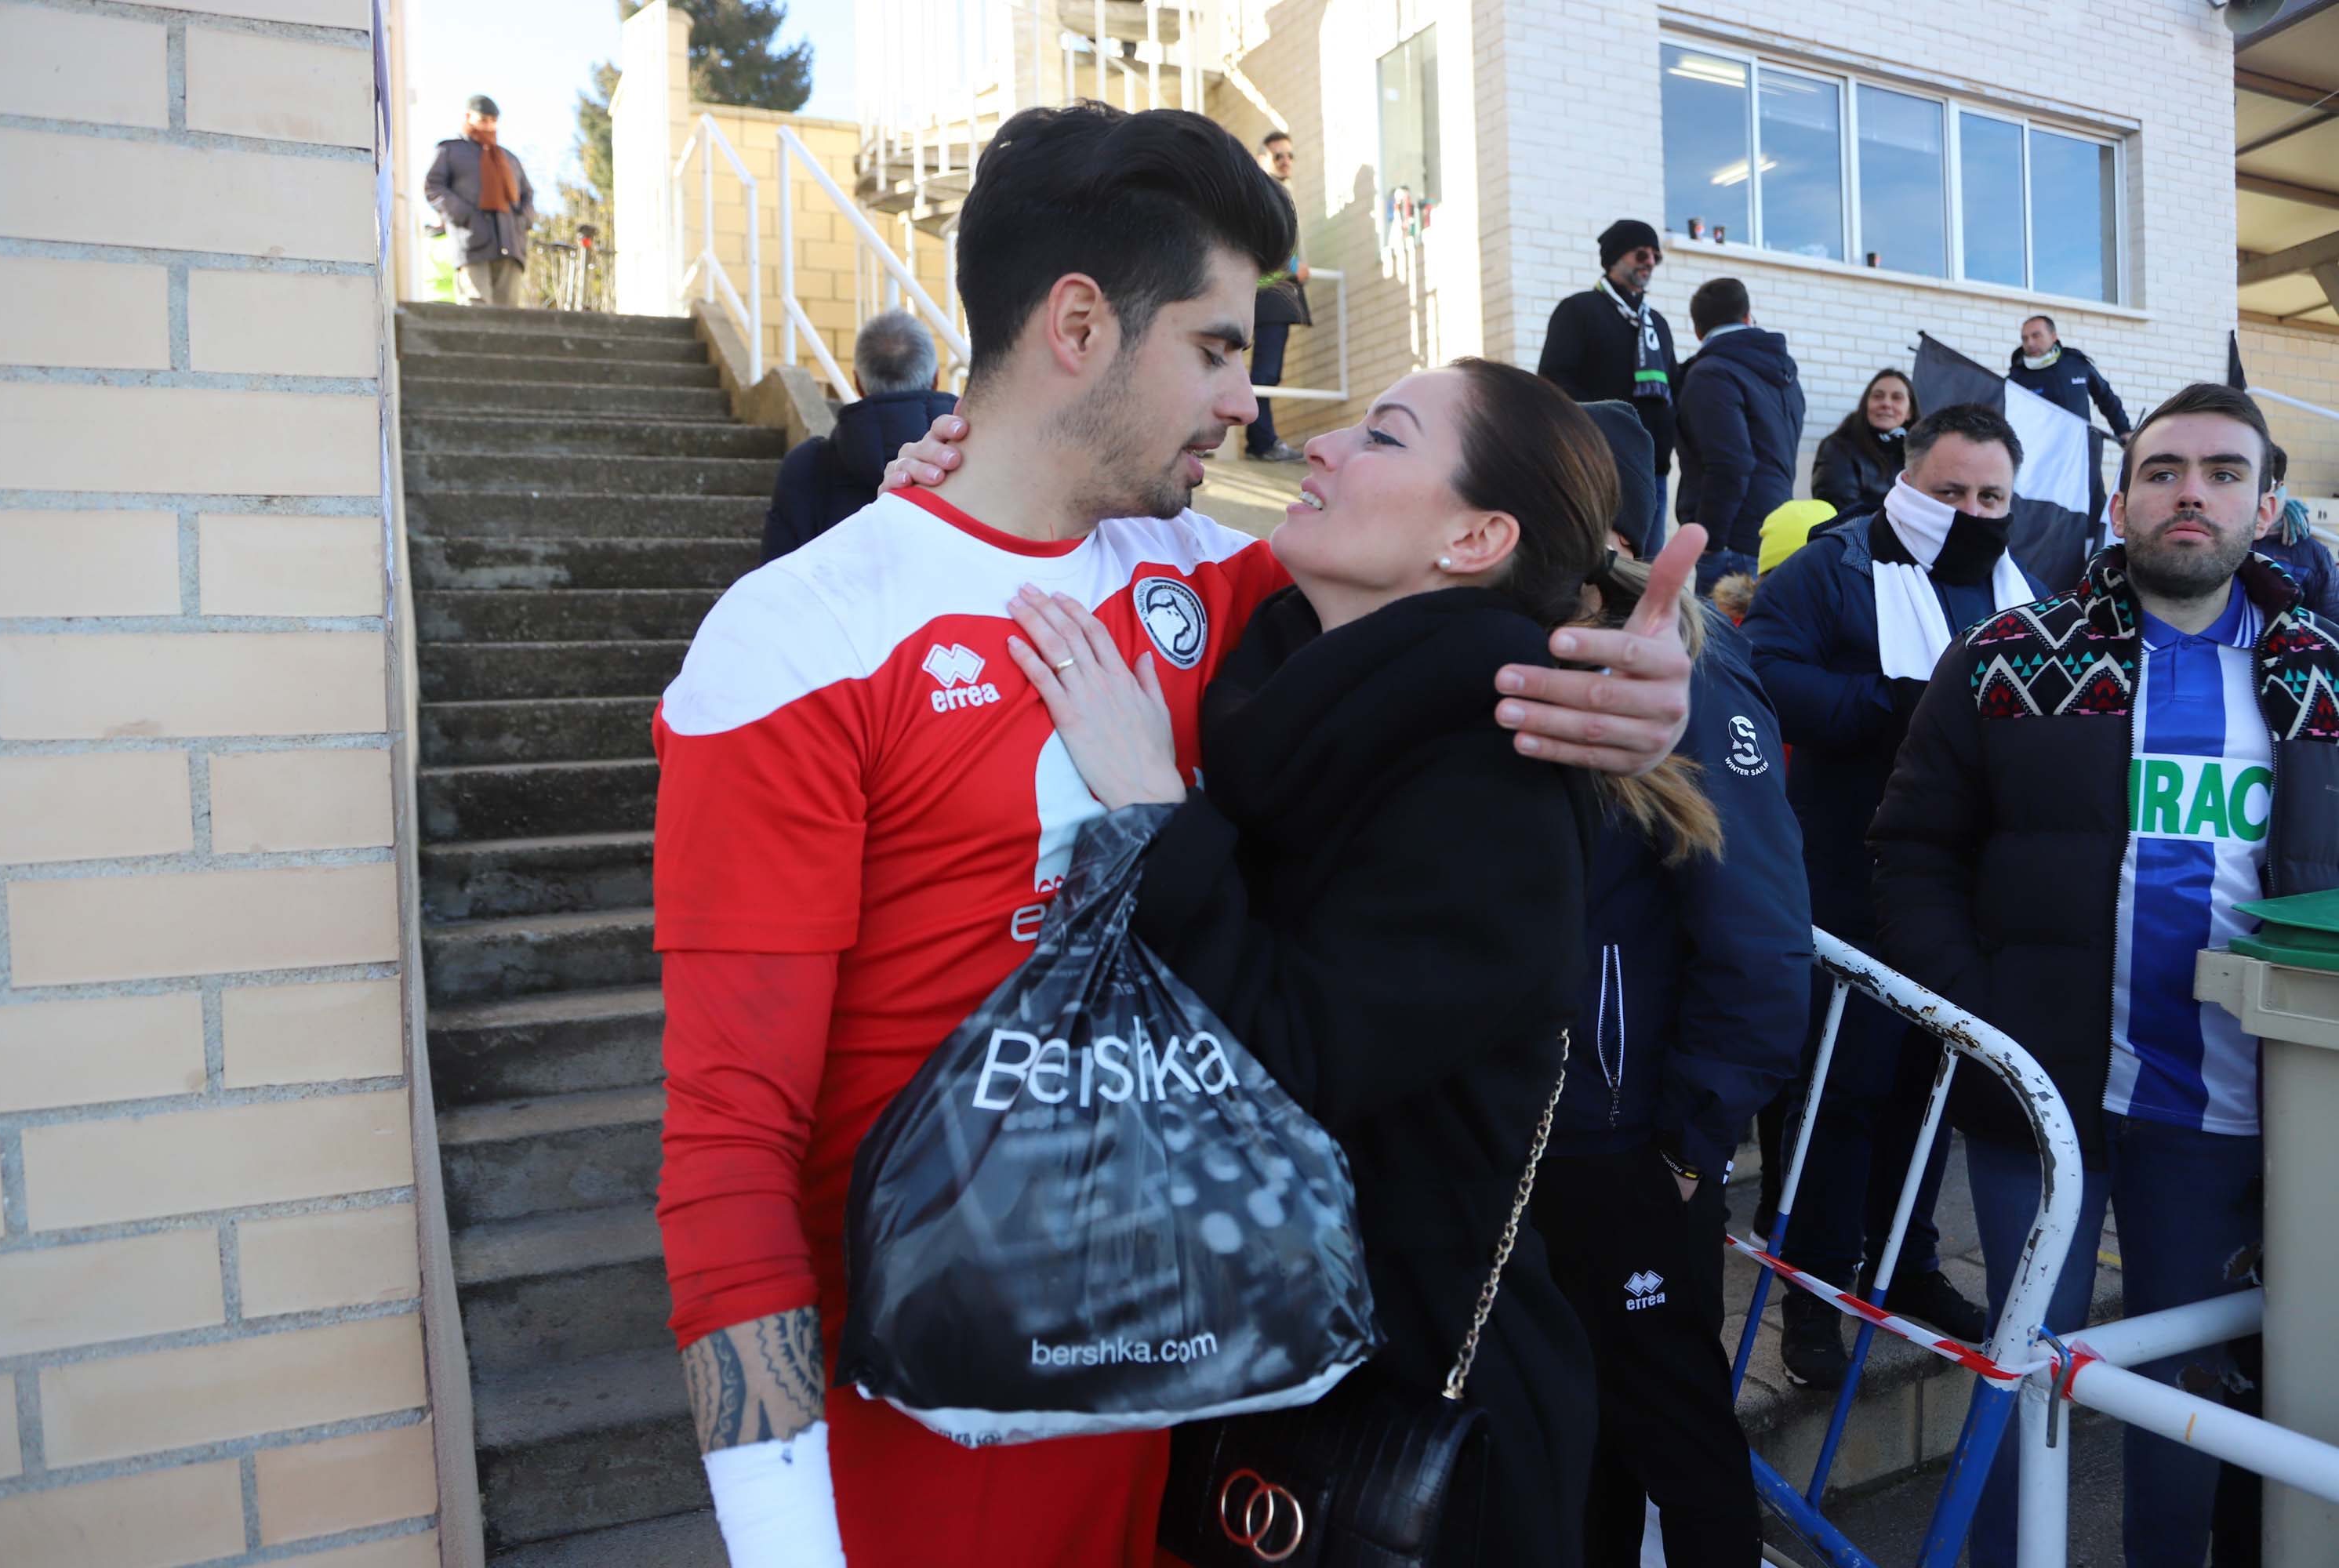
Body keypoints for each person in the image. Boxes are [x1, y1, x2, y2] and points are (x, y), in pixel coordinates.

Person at [650, 101, 1702, 1568]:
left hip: (1216, 1429)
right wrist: (779, 1532)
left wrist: (1647, 696)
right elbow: (726, 1138)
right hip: (933, 1438)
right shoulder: (800, 636)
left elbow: (1464, 608)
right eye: (1218, 347)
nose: (1252, 404)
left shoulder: (1220, 582)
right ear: (1081, 325)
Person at [1007, 358, 1650, 1565]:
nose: (1320, 442)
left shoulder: (1489, 774)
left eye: (1385, 437)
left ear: (1473, 539)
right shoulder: (1299, 689)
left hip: (1412, 1436)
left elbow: (1290, 1065)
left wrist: (1157, 810)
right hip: (1275, 1363)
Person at [1869, 383, 2339, 1568]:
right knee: (2013, 1374)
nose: (2192, 492)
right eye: (2163, 469)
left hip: (2231, 1112)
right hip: (2042, 1100)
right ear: (2117, 499)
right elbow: (1911, 851)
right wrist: (1980, 1023)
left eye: (2223, 473)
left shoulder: (2323, 679)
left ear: (2268, 506)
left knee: (2187, 1396)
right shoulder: (2003, 656)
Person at [1532, 400, 1810, 1568]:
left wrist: (1691, 1140)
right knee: (1571, 1431)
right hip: (1536, 1141)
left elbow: (1759, 940)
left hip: (1628, 1139)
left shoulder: (1691, 671)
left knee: (1675, 1433)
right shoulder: (1532, 648)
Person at [1742, 404, 2044, 1387]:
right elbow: (1766, 674)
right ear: (1906, 481)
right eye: (1951, 490)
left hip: (1962, 892)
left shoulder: (2019, 584)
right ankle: (1814, 1296)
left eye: (1991, 495)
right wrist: (1897, 704)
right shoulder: (1831, 566)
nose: (1970, 510)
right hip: (1846, 878)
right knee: (1839, 1094)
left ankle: (1907, 1263)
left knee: (1927, 1089)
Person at [761, 310, 958, 563]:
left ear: (857, 381)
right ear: (936, 380)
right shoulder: (977, 460)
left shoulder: (806, 469)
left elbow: (777, 579)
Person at [1538, 220, 1680, 553]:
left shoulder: (1656, 323)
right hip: (1600, 465)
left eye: (1656, 257)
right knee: (1599, 568)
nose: (1650, 262)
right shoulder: (1578, 310)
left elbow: (1674, 388)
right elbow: (1554, 381)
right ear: (1614, 258)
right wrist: (1602, 431)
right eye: (1641, 254)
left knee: (1643, 572)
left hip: (1652, 471)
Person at [1674, 278, 1805, 593]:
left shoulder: (1711, 373)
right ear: (1747, 317)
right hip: (1775, 533)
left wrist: (1709, 538)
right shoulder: (1783, 376)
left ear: (1697, 330)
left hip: (1731, 541)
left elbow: (1730, 463)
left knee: (1720, 643)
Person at [423, 94, 533, 308]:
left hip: (510, 244)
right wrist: (464, 216)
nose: (488, 126)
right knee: (475, 307)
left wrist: (523, 221)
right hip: (472, 242)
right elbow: (433, 186)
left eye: (492, 121)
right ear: (468, 117)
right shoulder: (451, 151)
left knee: (508, 315)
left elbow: (527, 194)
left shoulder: (509, 158)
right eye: (483, 120)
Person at [1246, 129, 1310, 463]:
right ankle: (1262, 441)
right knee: (1265, 373)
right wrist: (1293, 268)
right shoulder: (1265, 194)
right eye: (1278, 156)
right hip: (1269, 292)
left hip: (1274, 293)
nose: (1286, 161)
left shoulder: (1276, 192)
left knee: (1268, 372)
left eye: (1289, 155)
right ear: (1263, 159)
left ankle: (1262, 439)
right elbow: (1264, 242)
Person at [1812, 369, 1919, 517]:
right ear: (1865, 405)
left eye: (1897, 398)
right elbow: (1841, 513)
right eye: (1878, 396)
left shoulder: (1918, 454)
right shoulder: (1838, 447)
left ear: (1910, 412)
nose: (1886, 403)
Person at [2008, 314, 2132, 441]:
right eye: (2025, 339)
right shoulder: (2017, 377)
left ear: (2053, 336)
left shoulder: (2077, 364)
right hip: (2039, 452)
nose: (2030, 343)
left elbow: (2106, 398)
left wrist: (2123, 430)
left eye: (2036, 336)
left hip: (2079, 449)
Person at [2256, 443, 2339, 622]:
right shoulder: (2211, 538)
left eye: (2262, 482)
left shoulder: (2314, 555)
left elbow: (2330, 628)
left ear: (2279, 485)